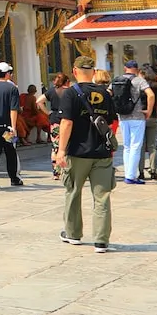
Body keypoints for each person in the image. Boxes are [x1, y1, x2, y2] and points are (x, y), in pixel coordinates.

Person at [54, 57, 118, 253]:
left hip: (78, 151)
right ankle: (101, 240)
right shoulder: (105, 94)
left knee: (73, 192)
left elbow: (66, 123)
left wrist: (61, 150)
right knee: (102, 197)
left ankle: (73, 234)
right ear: (93, 71)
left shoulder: (71, 93)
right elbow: (113, 122)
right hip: (101, 152)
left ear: (75, 71)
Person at [113, 61, 153, 185]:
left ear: (125, 68)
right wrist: (149, 111)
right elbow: (150, 95)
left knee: (127, 146)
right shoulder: (140, 80)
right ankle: (131, 176)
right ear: (136, 69)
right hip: (137, 115)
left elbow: (109, 94)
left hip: (123, 116)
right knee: (136, 146)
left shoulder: (117, 80)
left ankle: (128, 173)